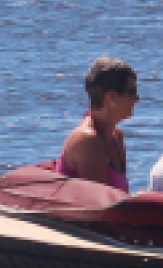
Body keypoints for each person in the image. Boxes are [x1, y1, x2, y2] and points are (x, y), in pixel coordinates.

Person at [56, 56, 138, 192]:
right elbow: (100, 207)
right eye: (132, 91)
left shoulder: (116, 134)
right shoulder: (89, 141)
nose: (137, 98)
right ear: (111, 97)